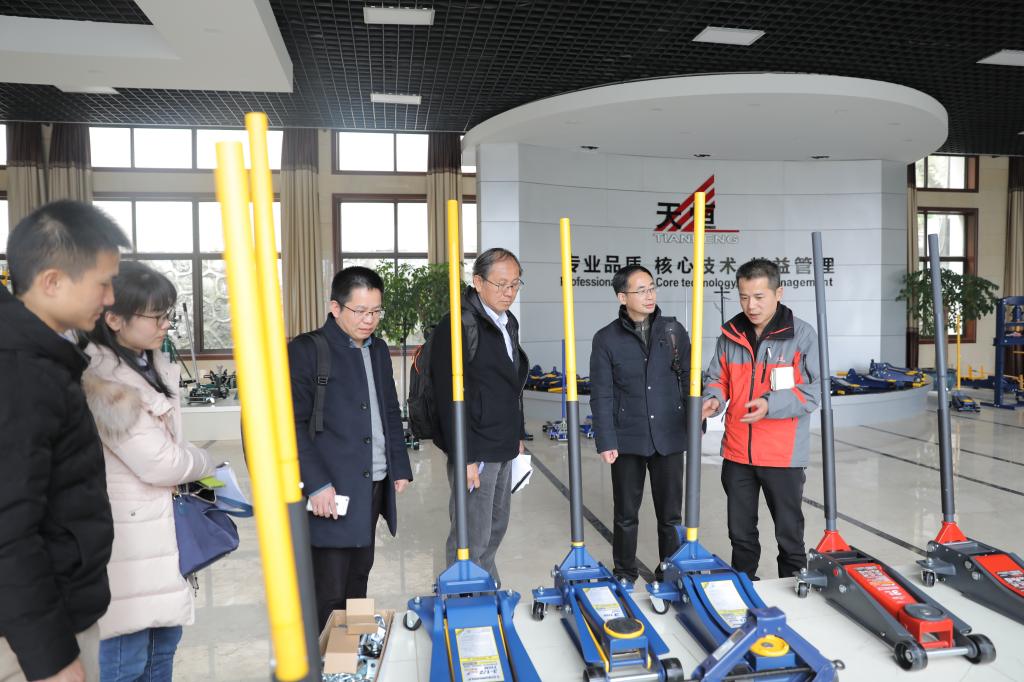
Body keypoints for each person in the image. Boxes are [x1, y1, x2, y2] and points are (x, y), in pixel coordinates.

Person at [0, 200, 128, 682]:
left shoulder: (43, 359)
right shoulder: (20, 373)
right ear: (52, 281)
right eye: (102, 283)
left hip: (53, 615)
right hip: (30, 640)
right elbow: (8, 530)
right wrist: (52, 660)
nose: (110, 298)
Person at [80, 261, 217, 681]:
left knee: (160, 655)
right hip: (129, 543)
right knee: (126, 662)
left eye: (168, 314)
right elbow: (161, 462)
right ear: (114, 318)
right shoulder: (104, 379)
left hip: (156, 536)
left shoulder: (149, 364)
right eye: (156, 316)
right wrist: (204, 460)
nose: (166, 325)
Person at [289, 266, 413, 628]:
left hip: (371, 483)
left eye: (376, 311)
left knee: (359, 574)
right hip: (330, 487)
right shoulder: (307, 350)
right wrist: (316, 483)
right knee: (328, 588)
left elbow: (389, 409)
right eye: (360, 311)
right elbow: (291, 424)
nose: (369, 320)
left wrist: (398, 465)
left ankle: (352, 649)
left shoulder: (377, 350)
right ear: (335, 307)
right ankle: (324, 655)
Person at [701, 258, 820, 580]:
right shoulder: (730, 335)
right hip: (737, 452)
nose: (750, 306)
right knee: (740, 535)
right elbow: (717, 378)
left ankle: (794, 589)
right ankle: (744, 587)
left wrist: (770, 404)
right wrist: (713, 398)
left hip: (783, 455)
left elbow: (814, 392)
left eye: (758, 297)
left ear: (778, 293)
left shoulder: (802, 336)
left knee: (789, 535)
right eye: (744, 297)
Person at [430, 248, 528, 585]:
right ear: (477, 282)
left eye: (515, 284)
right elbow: (448, 397)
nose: (509, 292)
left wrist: (518, 435)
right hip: (476, 448)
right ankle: (463, 593)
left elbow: (511, 385)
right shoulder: (458, 325)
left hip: (503, 444)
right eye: (501, 284)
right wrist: (466, 456)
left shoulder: (507, 322)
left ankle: (484, 586)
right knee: (471, 533)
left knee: (495, 526)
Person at [590, 265, 690, 583]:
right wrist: (606, 440)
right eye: (641, 290)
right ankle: (624, 572)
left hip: (669, 436)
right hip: (627, 439)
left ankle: (670, 571)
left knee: (671, 516)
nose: (649, 295)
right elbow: (602, 394)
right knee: (625, 514)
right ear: (622, 297)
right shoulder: (606, 339)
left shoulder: (673, 332)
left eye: (652, 288)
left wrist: (694, 424)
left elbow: (689, 381)